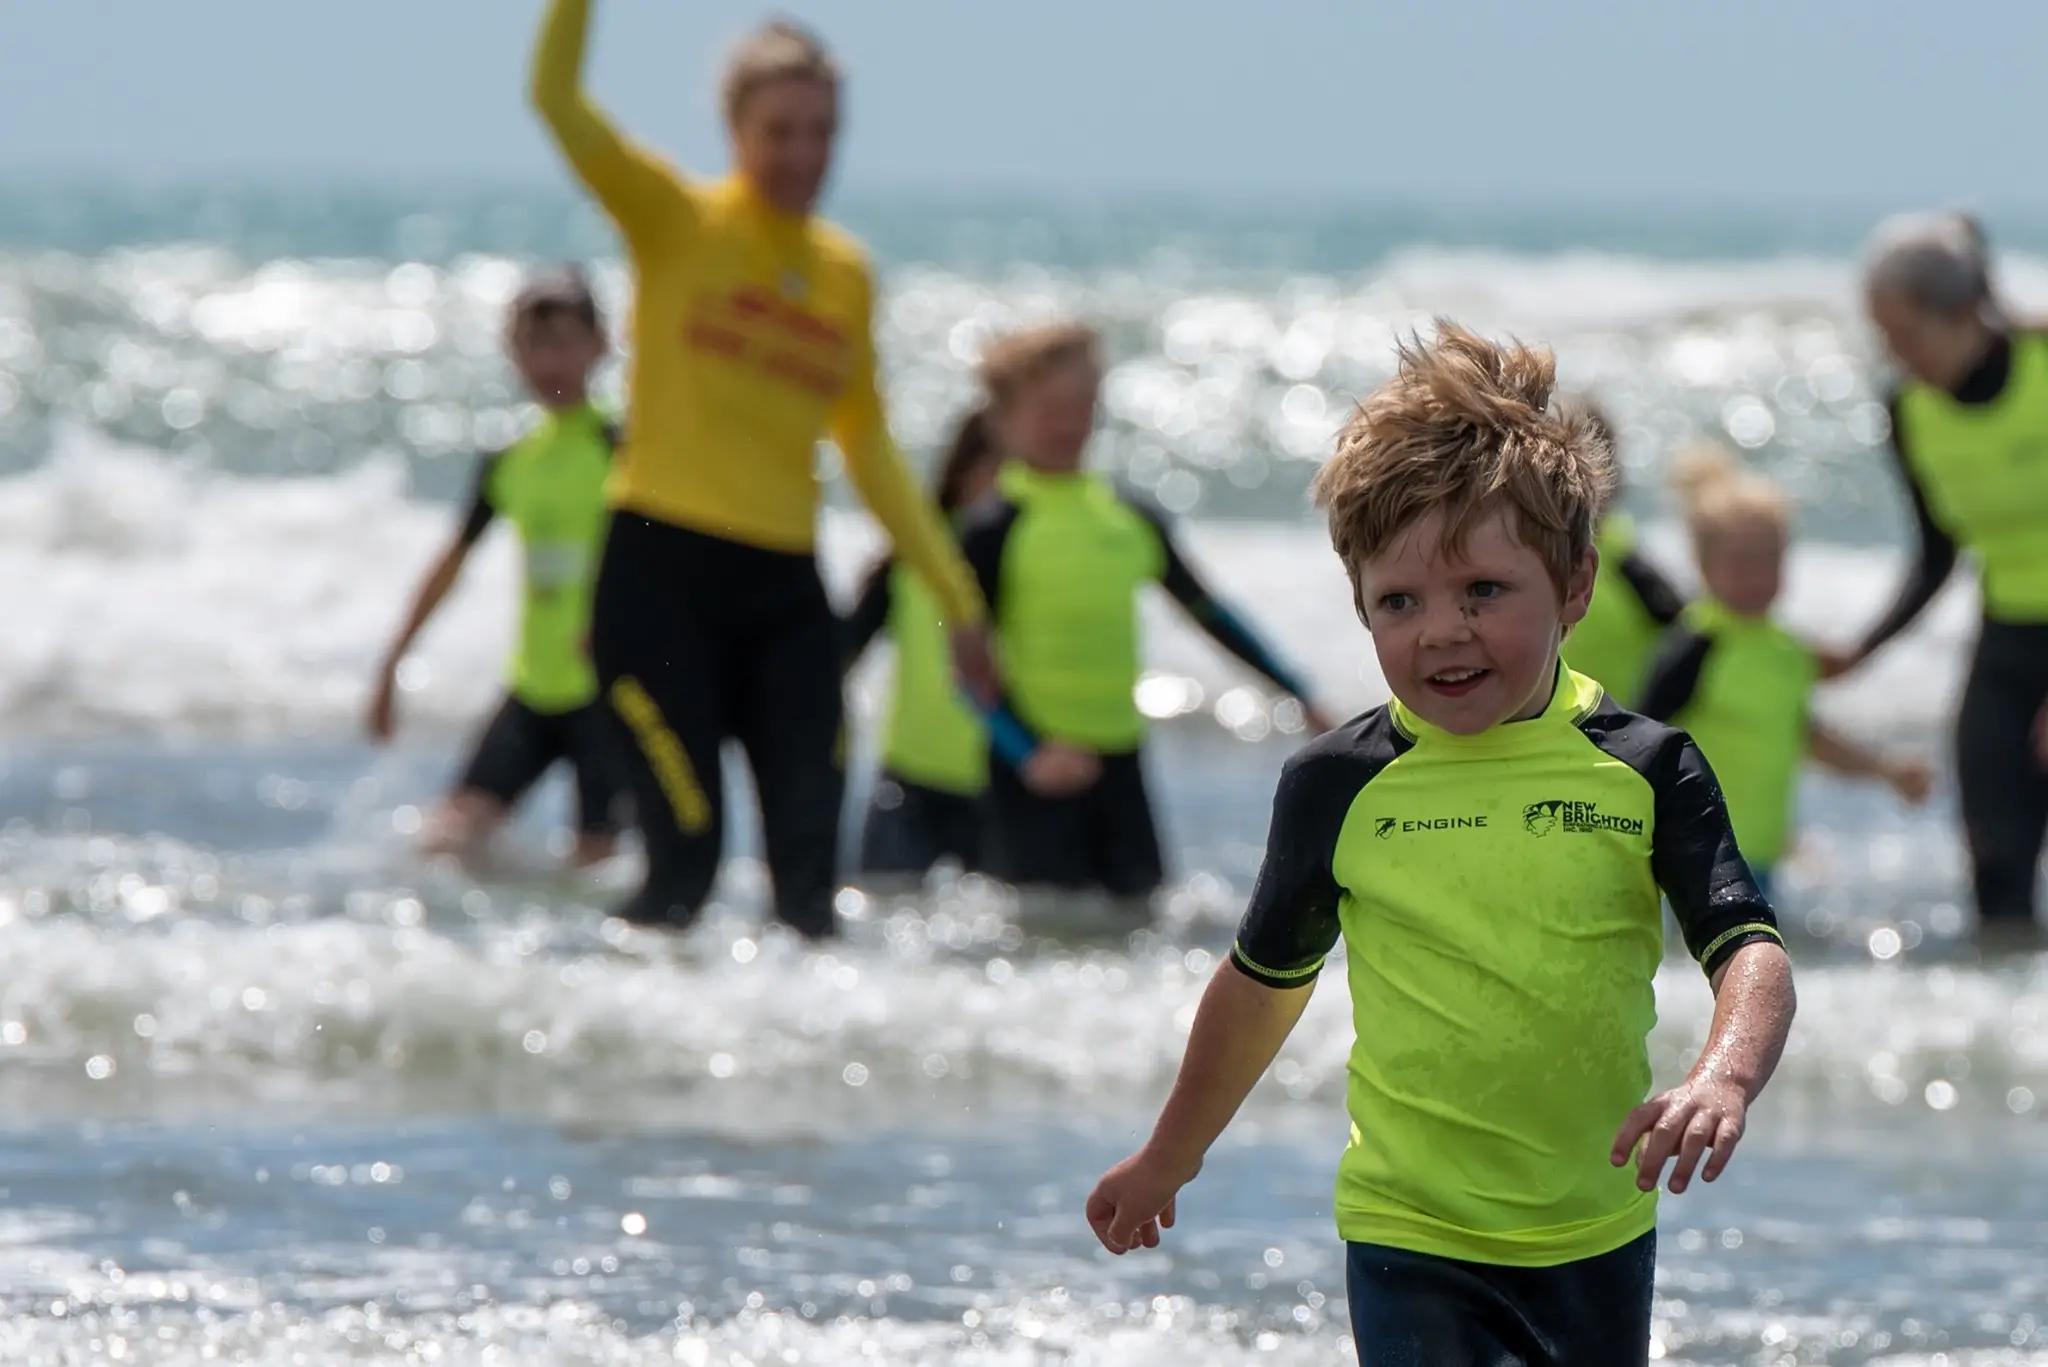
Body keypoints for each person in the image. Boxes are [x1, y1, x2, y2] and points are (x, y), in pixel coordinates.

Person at [1085, 323, 1797, 1366]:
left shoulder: (1643, 768)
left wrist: (1722, 1077)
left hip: (1594, 1229)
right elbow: (1258, 983)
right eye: (1398, 601)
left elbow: (1750, 950)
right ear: (1360, 603)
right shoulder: (1337, 784)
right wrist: (1168, 1155)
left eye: (1482, 591)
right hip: (1405, 1225)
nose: (1440, 630)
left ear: (1572, 586)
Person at [529, 0, 993, 939]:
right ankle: (607, 1055)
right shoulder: (676, 221)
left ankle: (811, 1077)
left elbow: (867, 446)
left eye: (822, 131)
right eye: (779, 131)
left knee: (811, 889)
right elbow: (556, 98)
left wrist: (956, 599)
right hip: (658, 583)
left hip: (783, 597)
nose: (802, 153)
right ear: (735, 130)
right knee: (684, 870)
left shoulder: (842, 272)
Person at [956, 321, 1337, 904]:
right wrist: (1027, 752)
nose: (1069, 423)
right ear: (1003, 419)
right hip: (1034, 774)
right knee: (1038, 939)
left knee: (1140, 926)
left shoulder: (1129, 517)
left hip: (1121, 765)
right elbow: (965, 668)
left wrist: (1296, 692)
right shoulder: (991, 527)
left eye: (1082, 405)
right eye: (1049, 408)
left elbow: (1210, 614)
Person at [1825, 211, 2048, 940]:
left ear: (1961, 313)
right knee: (1996, 855)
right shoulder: (1910, 407)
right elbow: (1937, 552)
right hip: (2008, 641)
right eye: (1884, 336)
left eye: (1906, 333)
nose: (1895, 353)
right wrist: (1863, 649)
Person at [367, 268, 629, 867]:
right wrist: (393, 662)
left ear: (599, 345)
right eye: (534, 345)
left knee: (597, 867)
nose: (550, 361)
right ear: (513, 354)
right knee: (443, 843)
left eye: (564, 341)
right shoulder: (511, 459)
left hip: (611, 698)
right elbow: (451, 564)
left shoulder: (625, 448)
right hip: (535, 688)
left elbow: (668, 559)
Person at [1636, 442, 1931, 897]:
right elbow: (1641, 738)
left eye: (1769, 560)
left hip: (1761, 849)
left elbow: (1805, 736)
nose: (1757, 577)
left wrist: (1884, 771)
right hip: (1691, 849)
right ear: (1702, 563)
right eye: (1741, 563)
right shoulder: (1697, 644)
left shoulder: (1789, 652)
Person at [840, 409, 1005, 878]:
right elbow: (846, 648)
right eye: (998, 468)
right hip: (909, 774)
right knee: (877, 910)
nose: (1006, 487)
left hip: (997, 778)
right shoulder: (915, 551)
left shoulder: (1034, 548)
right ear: (966, 466)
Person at [1557, 396, 1689, 706]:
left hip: (1615, 733)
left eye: (1598, 460)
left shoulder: (1626, 562)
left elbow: (1691, 633)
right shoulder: (1519, 555)